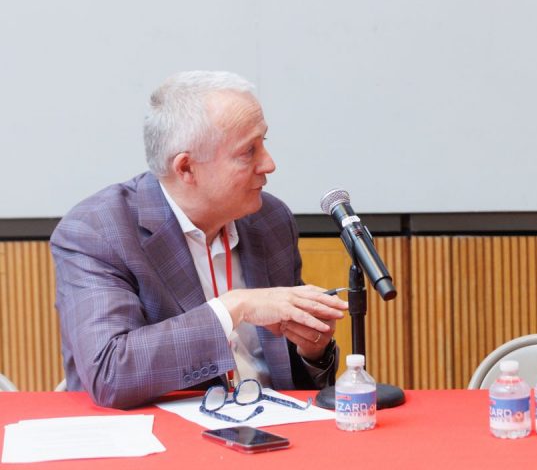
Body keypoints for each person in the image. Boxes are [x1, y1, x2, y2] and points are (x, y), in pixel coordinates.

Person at [51, 71, 349, 408]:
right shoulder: (98, 231)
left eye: (264, 142)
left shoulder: (269, 219)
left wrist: (311, 350)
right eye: (248, 151)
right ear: (186, 168)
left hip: (272, 435)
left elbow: (289, 378)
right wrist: (236, 306)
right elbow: (110, 372)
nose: (269, 164)